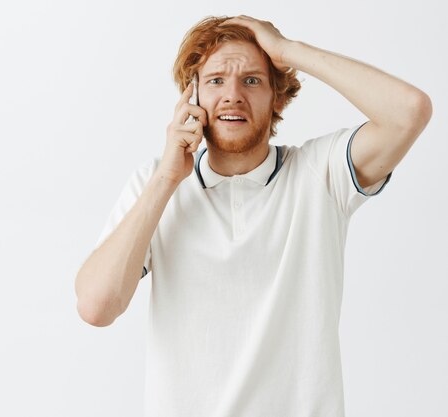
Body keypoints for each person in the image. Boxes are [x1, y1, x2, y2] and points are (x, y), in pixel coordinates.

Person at [74, 15, 432, 416]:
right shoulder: (156, 184)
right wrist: (167, 179)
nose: (232, 95)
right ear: (190, 99)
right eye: (214, 81)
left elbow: (410, 111)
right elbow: (96, 306)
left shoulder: (321, 173)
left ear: (278, 97)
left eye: (252, 80)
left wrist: (288, 51)